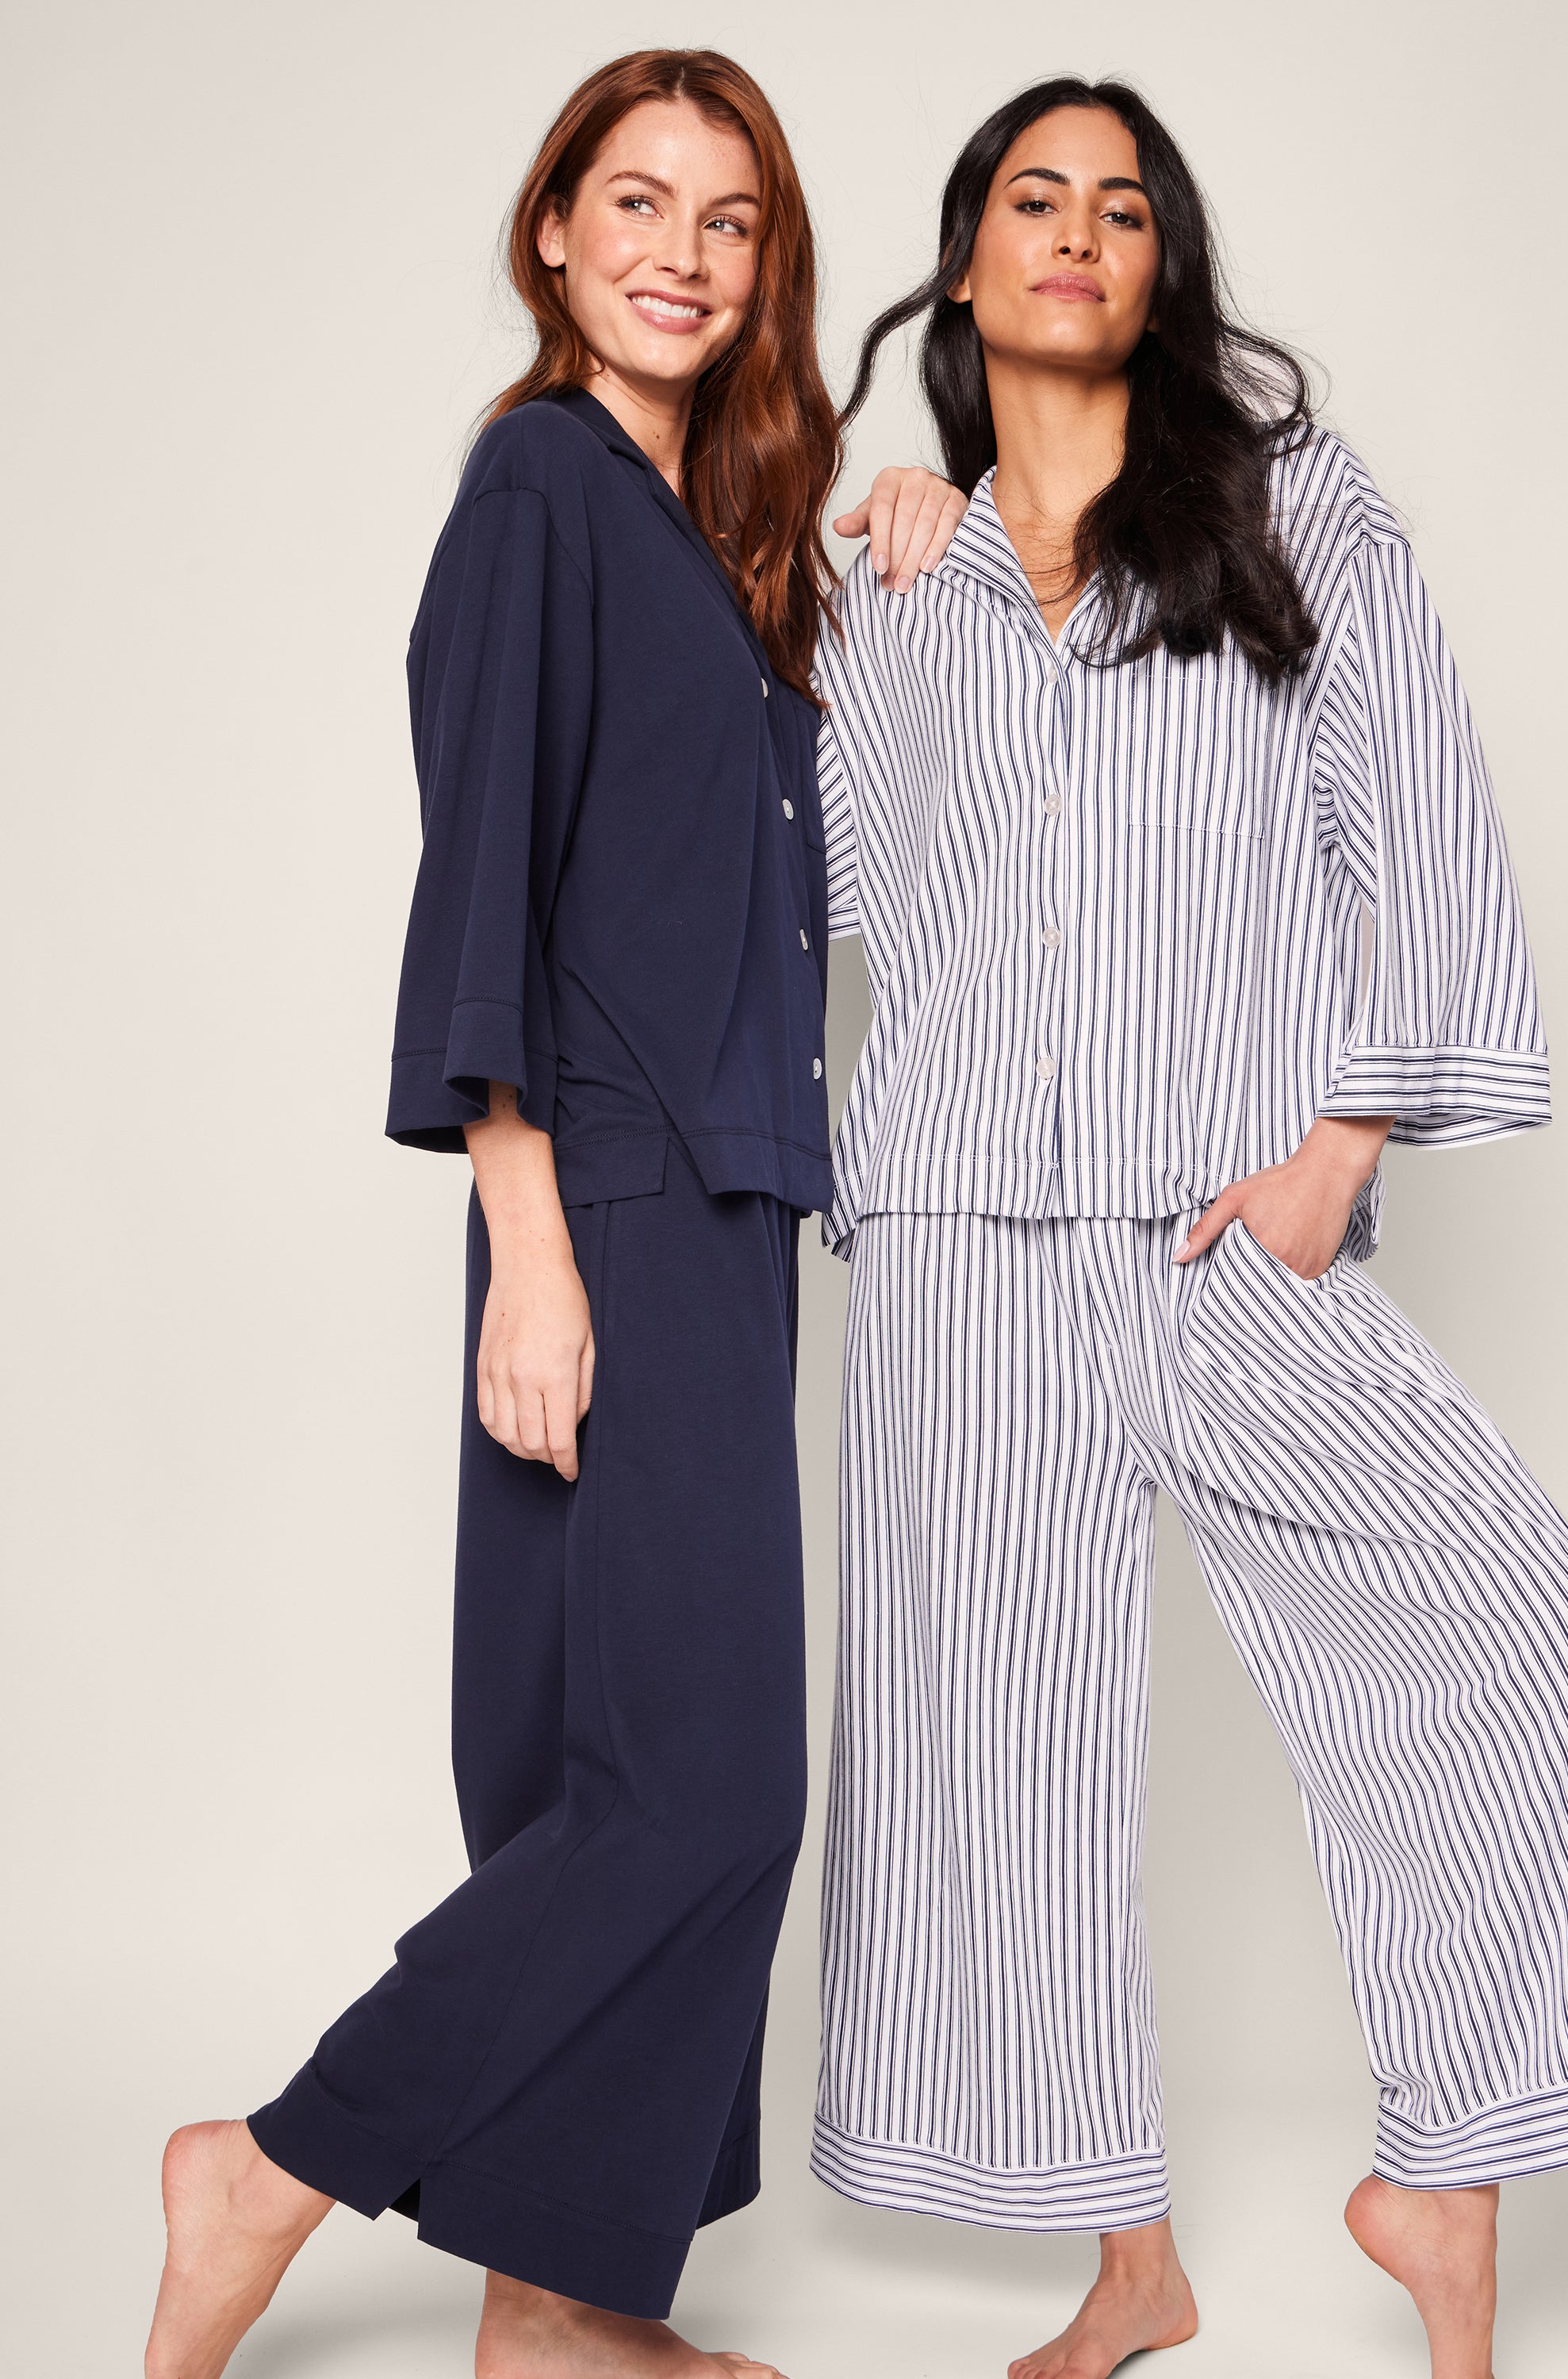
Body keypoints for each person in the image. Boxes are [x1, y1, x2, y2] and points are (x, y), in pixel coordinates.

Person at [811, 76, 1568, 2379]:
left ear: (1164, 267)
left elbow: (1414, 808)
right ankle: (1125, 2264)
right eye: (1034, 202)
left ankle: (1440, 2183)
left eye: (1122, 207)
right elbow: (830, 896)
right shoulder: (894, 578)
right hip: (957, 1233)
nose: (1078, 235)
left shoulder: (1287, 507)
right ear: (969, 266)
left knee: (1539, 1649)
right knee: (993, 1764)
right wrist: (851, 575)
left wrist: (1345, 1138)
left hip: (1228, 1218)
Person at [144, 50, 964, 2379]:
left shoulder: (717, 539)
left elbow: (836, 839)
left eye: (729, 220)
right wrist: (525, 1226)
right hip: (604, 1178)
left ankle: (563, 2308)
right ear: (551, 234)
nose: (681, 251)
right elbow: (478, 856)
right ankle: (278, 2159)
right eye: (637, 201)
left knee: (601, 1755)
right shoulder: (536, 486)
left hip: (723, 1190)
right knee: (703, 1782)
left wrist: (903, 526)